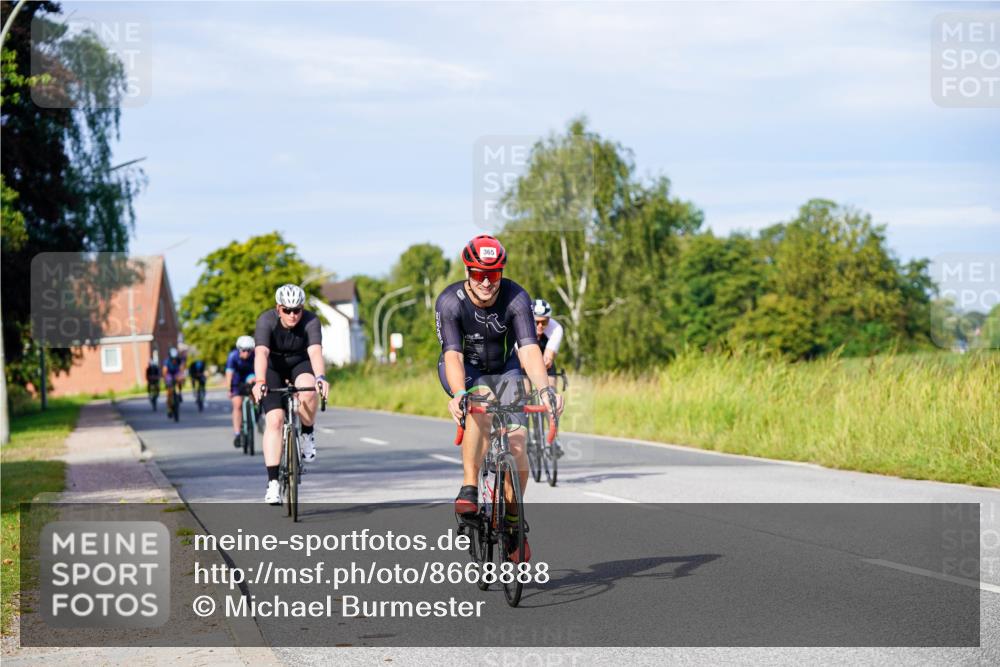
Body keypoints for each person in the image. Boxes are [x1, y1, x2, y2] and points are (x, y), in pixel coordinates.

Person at [435, 234, 563, 563]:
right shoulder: (450, 301)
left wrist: (545, 390)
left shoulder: (516, 297)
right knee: (482, 399)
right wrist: (460, 394)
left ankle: (513, 521)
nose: (487, 282)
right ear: (468, 272)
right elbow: (451, 354)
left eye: (494, 273)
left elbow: (530, 349)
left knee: (517, 443)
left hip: (507, 368)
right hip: (466, 370)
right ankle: (469, 488)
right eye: (479, 274)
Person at [251, 284, 329, 505]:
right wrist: (259, 381)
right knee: (274, 420)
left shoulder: (311, 321)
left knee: (309, 388)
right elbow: (261, 353)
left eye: (297, 310)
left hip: (299, 363)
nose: (293, 315)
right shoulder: (265, 321)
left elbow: (314, 351)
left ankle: (307, 432)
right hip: (273, 368)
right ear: (278, 308)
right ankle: (273, 483)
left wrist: (321, 377)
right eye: (287, 310)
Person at [226, 336, 257, 449]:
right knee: (237, 404)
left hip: (250, 377)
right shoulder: (233, 356)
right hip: (237, 380)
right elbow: (229, 374)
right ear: (239, 349)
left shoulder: (255, 355)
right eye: (244, 350)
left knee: (255, 390)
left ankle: (256, 410)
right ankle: (238, 433)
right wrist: (229, 389)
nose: (246, 353)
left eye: (249, 350)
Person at [531, 299, 564, 372]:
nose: (540, 325)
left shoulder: (556, 328)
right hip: (524, 360)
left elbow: (548, 357)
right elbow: (520, 359)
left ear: (549, 319)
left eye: (544, 322)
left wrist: (546, 362)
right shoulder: (522, 325)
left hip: (543, 361)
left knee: (549, 366)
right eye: (536, 322)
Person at [162, 347, 184, 415]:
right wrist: (165, 378)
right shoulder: (166, 361)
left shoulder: (178, 360)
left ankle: (179, 393)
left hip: (176, 373)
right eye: (172, 358)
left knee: (180, 380)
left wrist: (181, 376)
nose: (174, 360)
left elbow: (181, 369)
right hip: (169, 374)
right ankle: (169, 409)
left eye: (175, 358)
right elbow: (164, 371)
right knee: (169, 392)